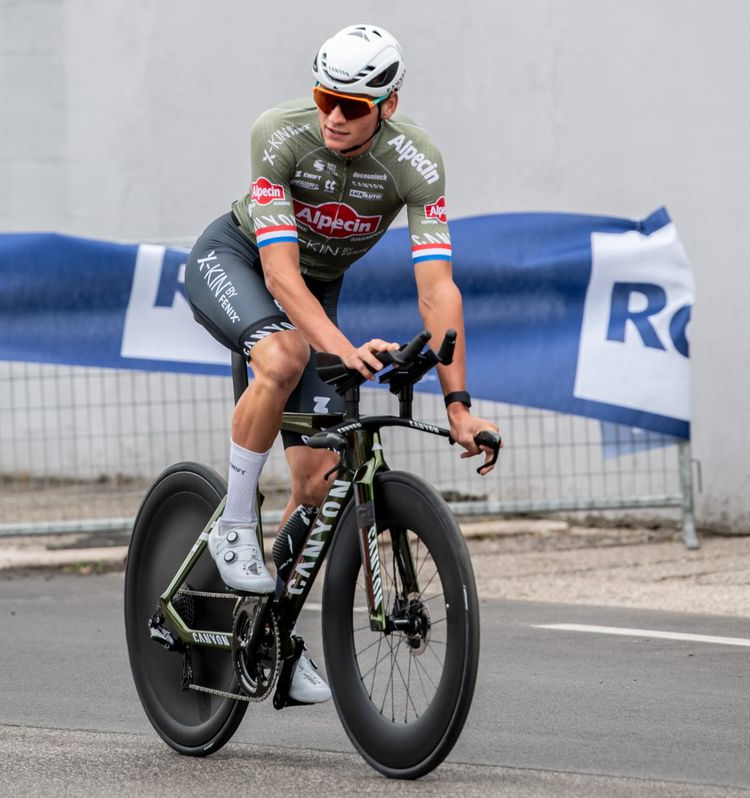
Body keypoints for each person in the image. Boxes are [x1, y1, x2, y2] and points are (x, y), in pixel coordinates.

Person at [183, 24, 500, 704]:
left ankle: (266, 631)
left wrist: (459, 403)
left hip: (316, 291)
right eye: (327, 97)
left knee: (321, 482)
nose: (334, 115)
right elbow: (280, 274)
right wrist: (339, 345)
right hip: (239, 261)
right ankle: (235, 521)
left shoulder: (417, 163)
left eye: (353, 106)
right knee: (285, 350)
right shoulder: (280, 133)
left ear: (387, 105)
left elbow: (437, 287)